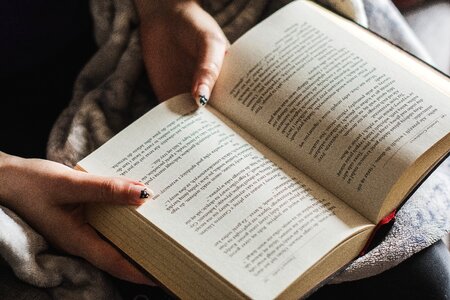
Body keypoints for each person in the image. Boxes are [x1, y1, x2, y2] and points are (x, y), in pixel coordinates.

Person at [0, 0, 449, 299]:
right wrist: (9, 176)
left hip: (132, 31)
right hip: (22, 150)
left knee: (424, 284)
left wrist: (166, 7)